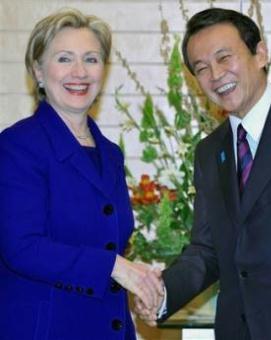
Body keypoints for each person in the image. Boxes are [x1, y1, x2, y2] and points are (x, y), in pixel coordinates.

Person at [135, 7, 271, 340]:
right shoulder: (210, 151)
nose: (216, 74)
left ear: (260, 54)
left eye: (224, 57)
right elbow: (207, 250)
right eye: (202, 68)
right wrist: (161, 291)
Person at [0, 8, 163, 340]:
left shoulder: (110, 154)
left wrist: (142, 286)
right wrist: (117, 267)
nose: (79, 72)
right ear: (38, 71)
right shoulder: (16, 146)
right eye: (64, 59)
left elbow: (108, 243)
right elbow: (21, 247)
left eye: (91, 59)